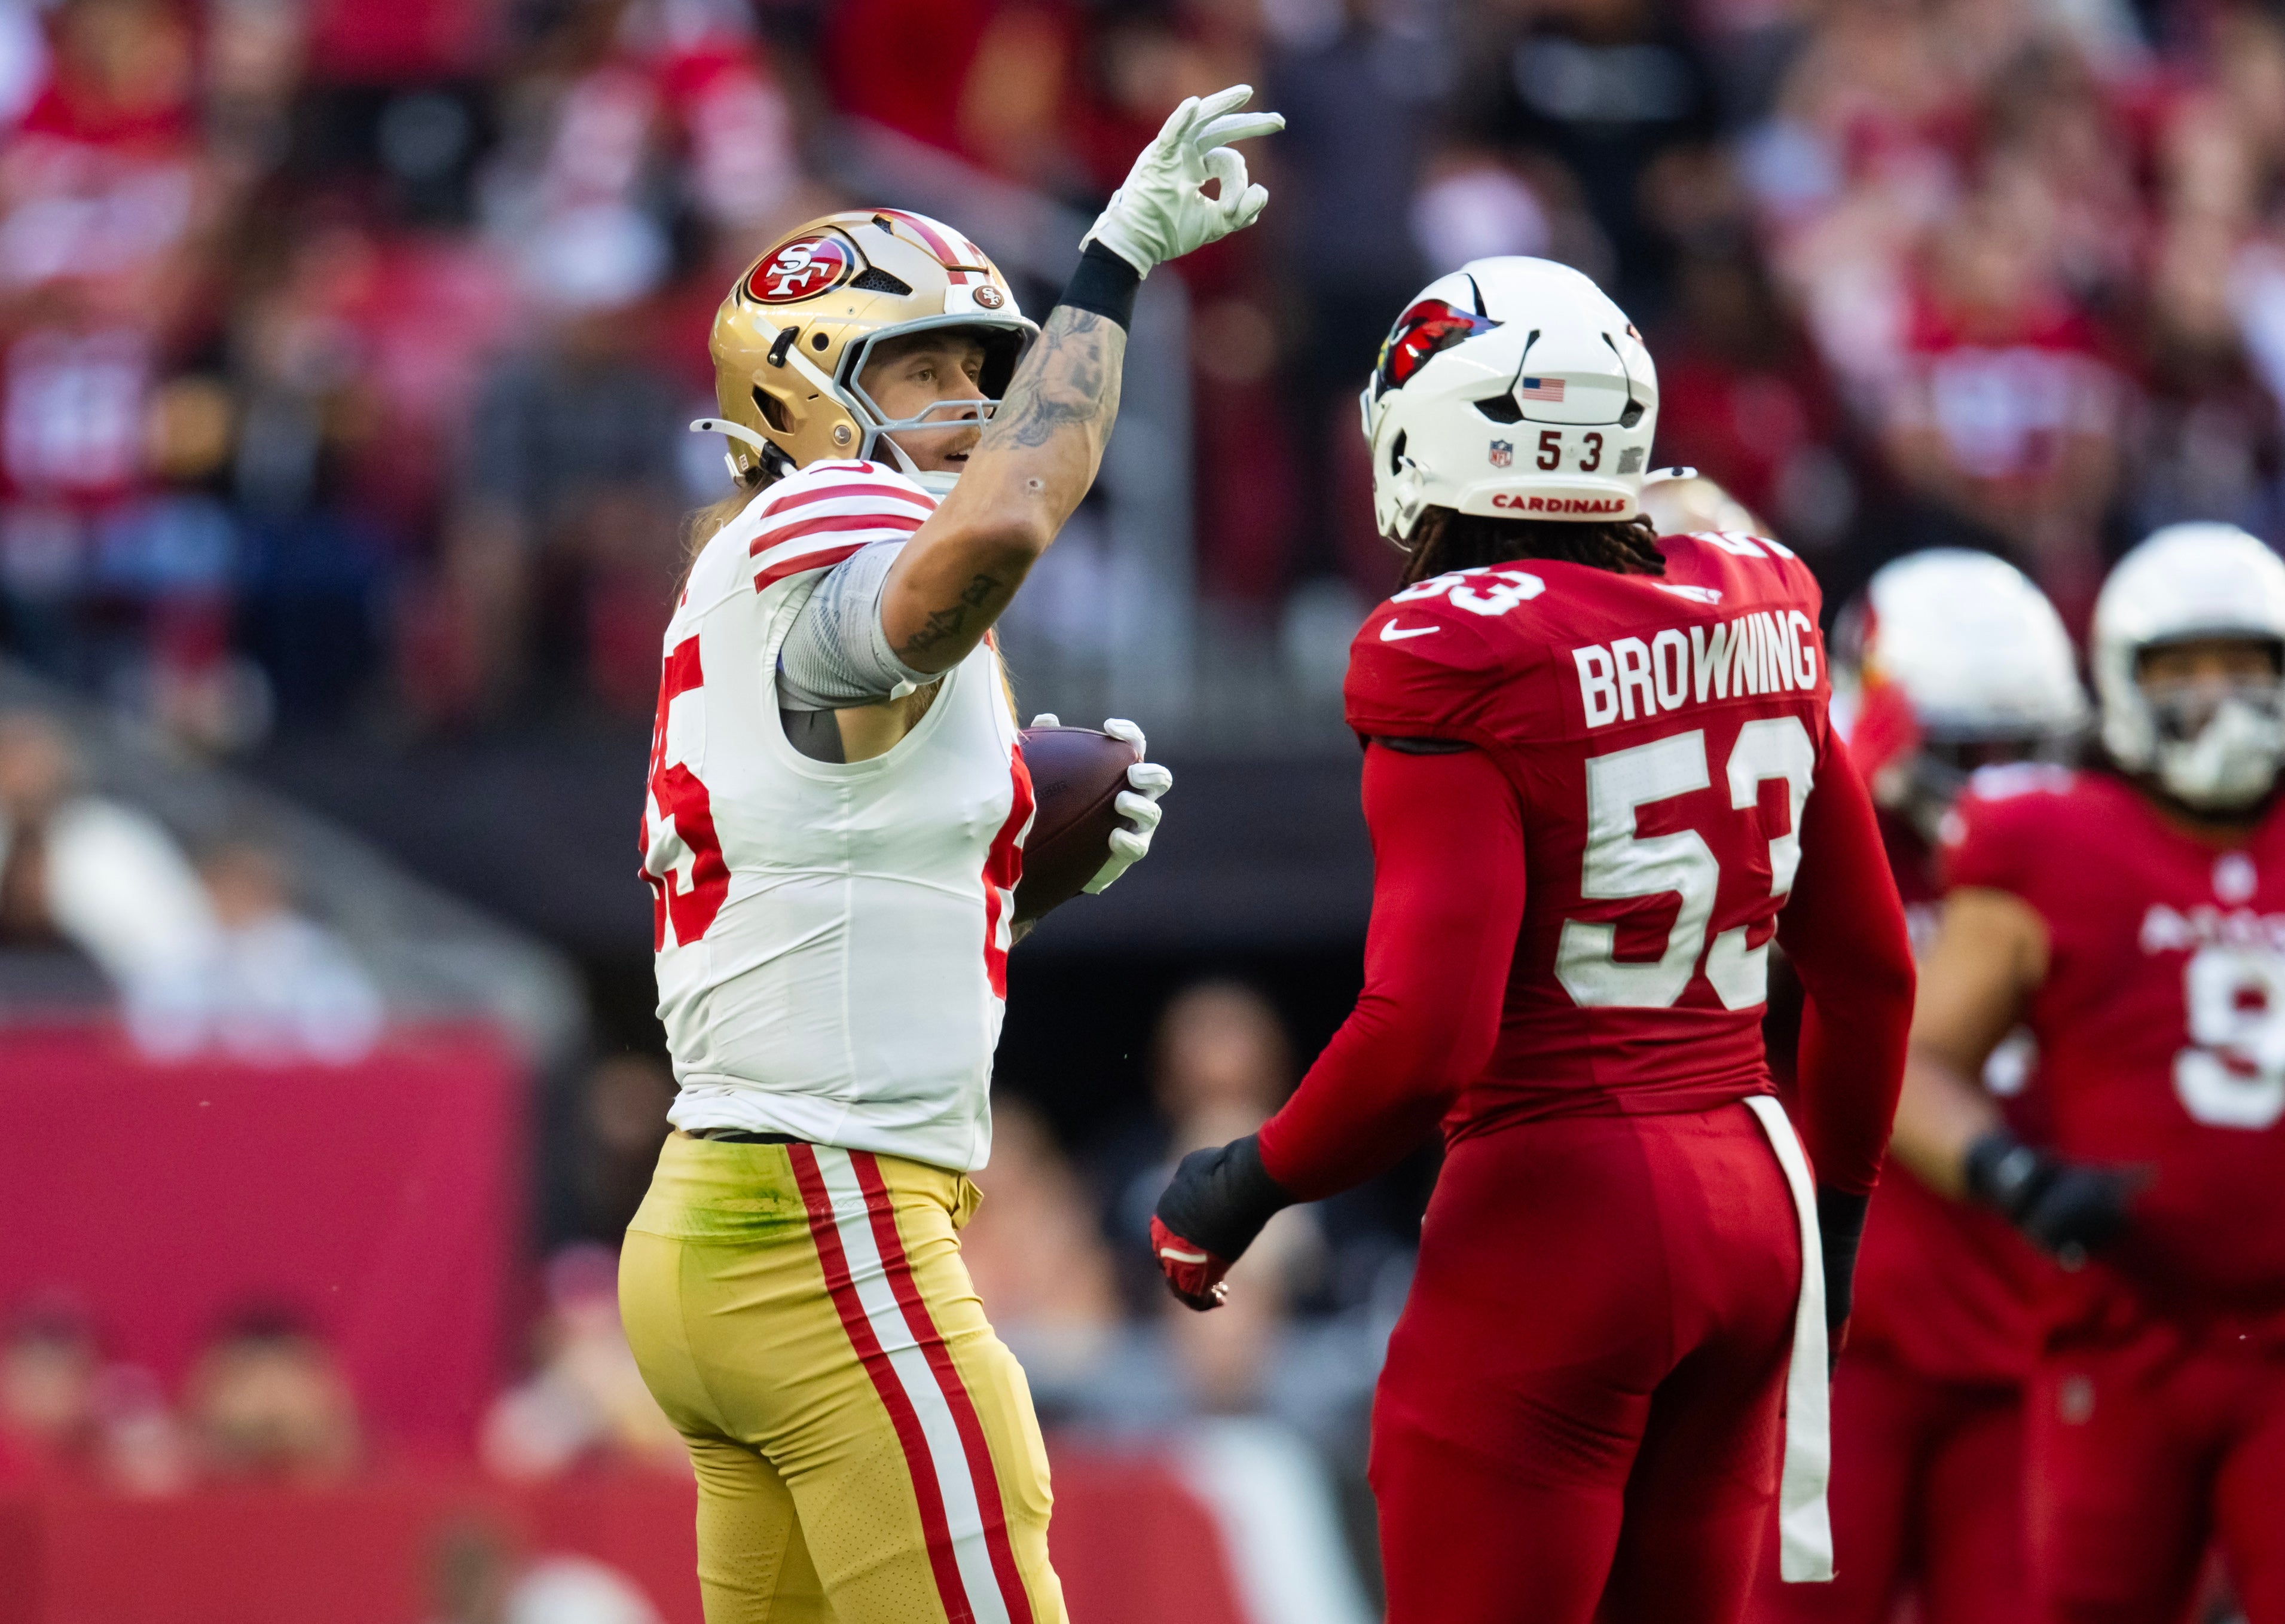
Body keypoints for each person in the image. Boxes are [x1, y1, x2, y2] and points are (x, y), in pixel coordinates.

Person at [1150, 256, 1919, 1624]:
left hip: (1561, 1210)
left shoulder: (1450, 645)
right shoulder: (1762, 596)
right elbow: (1868, 969)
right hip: (1757, 1196)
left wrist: (1238, 1186)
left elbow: (1426, 1037)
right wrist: (1841, 1224)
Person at [617, 88, 1282, 1624]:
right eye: (919, 372)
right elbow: (1001, 530)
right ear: (795, 403)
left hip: (739, 1212)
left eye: (983, 373)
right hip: (823, 1225)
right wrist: (1106, 268)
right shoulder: (819, 515)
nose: (971, 410)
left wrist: (1007, 873)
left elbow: (821, 903)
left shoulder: (769, 588)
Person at [1890, 521, 2285, 1624]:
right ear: (2120, 680)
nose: (2218, 696)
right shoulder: (2049, 842)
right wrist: (2009, 1172)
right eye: (2184, 669)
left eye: (2246, 664)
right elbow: (1914, 1061)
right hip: (2119, 1334)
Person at [1748, 550, 2088, 1624]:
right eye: (1965, 746)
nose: (1992, 778)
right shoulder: (1803, 830)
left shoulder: (2088, 853)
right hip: (1831, 1347)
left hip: (2026, 1337)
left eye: (2020, 746)